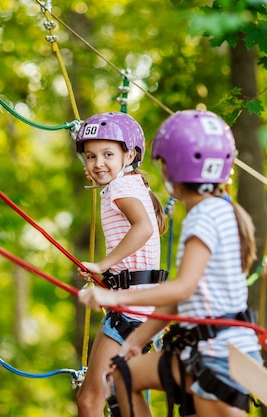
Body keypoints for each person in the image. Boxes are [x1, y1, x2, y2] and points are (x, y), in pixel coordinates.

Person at [78, 109, 262, 417]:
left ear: (170, 167)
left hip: (214, 355)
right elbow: (186, 295)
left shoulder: (203, 216)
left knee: (115, 382)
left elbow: (182, 288)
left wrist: (114, 296)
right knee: (122, 376)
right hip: (219, 348)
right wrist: (138, 339)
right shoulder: (220, 210)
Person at [74, 112, 168, 417]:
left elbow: (142, 227)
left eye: (108, 154)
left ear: (130, 155)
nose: (98, 163)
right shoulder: (130, 183)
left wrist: (103, 265)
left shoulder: (120, 188)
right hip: (138, 307)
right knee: (126, 400)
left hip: (132, 311)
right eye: (90, 156)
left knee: (91, 401)